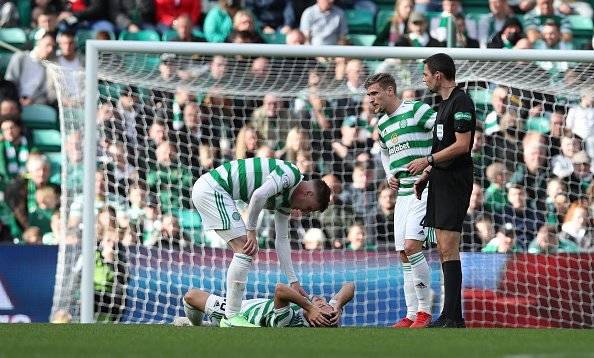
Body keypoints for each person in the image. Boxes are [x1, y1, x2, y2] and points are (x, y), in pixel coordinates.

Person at [191, 158, 331, 327]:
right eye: (309, 208)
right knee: (245, 249)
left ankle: (226, 315)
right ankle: (231, 317)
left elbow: (282, 239)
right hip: (212, 188)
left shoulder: (286, 202)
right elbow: (259, 195)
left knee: (244, 250)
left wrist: (293, 281)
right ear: (308, 194)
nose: (304, 212)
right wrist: (251, 231)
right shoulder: (291, 174)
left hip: (214, 191)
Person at [408, 53, 476, 328]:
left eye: (425, 74)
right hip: (440, 179)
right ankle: (450, 315)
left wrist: (428, 161)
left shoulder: (461, 102)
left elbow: (463, 145)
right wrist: (427, 173)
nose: (423, 79)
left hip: (454, 180)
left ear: (438, 75)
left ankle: (453, 316)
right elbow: (440, 146)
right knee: (443, 248)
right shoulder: (444, 104)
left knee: (449, 246)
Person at [364, 72, 436, 328]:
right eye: (368, 94)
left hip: (425, 189)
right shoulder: (382, 124)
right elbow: (384, 152)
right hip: (403, 194)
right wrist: (389, 175)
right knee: (403, 254)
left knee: (412, 246)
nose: (370, 99)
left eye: (374, 93)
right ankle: (411, 313)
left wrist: (429, 165)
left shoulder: (416, 110)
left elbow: (443, 134)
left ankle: (426, 312)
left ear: (390, 90)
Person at [178, 282, 354, 327]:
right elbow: (349, 287)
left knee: (191, 296)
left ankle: (198, 326)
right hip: (258, 304)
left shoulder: (289, 321)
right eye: (323, 301)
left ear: (315, 318)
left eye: (321, 305)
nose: (320, 300)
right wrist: (337, 305)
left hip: (241, 313)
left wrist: (309, 307)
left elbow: (280, 290)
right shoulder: (331, 314)